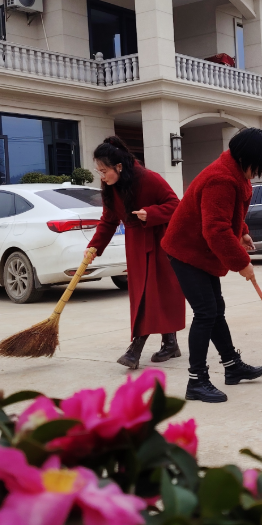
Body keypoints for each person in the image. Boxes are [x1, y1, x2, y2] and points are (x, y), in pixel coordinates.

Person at [160, 128, 262, 403]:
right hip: (186, 251)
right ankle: (197, 381)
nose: (260, 171)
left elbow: (229, 212)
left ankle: (232, 366)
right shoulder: (220, 178)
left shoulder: (234, 172)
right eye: (260, 164)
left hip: (201, 251)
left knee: (215, 309)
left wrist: (242, 230)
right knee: (206, 312)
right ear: (247, 158)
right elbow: (216, 229)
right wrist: (241, 263)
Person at [87, 136, 185, 369]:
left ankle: (135, 350)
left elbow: (176, 205)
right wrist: (94, 246)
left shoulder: (149, 178)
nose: (101, 176)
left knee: (153, 295)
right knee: (146, 294)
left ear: (118, 167)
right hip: (135, 244)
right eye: (98, 171)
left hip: (160, 241)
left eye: (104, 171)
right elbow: (108, 221)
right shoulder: (110, 188)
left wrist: (151, 213)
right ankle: (170, 343)